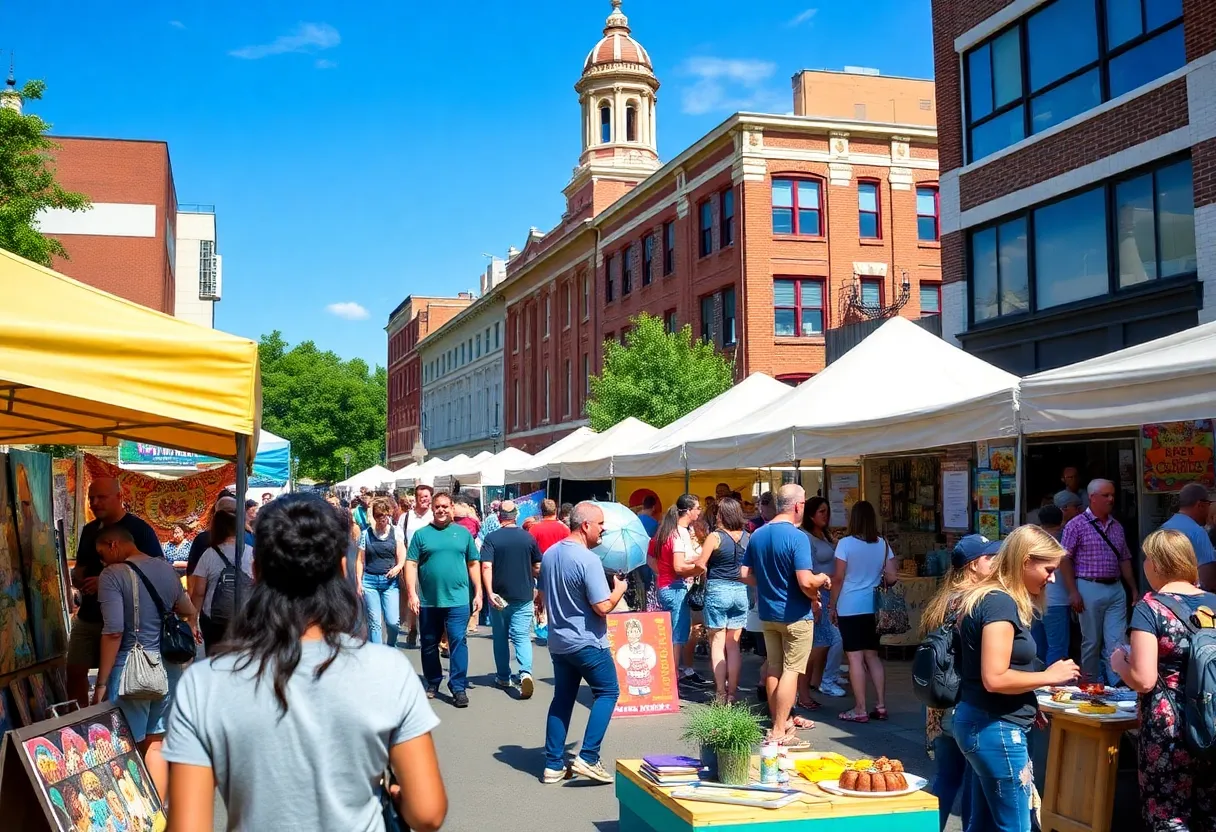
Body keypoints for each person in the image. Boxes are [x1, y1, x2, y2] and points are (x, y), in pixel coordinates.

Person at [162, 495, 447, 832]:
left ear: (256, 571)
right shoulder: (388, 670)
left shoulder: (204, 683)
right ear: (342, 568)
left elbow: (187, 826)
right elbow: (427, 813)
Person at [954, 525, 1080, 832]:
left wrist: (1028, 699)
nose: (1052, 578)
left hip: (989, 722)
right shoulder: (999, 602)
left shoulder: (994, 599)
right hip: (994, 726)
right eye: (1048, 569)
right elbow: (994, 677)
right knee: (1016, 826)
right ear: (1025, 561)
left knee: (984, 823)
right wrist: (1047, 676)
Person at [1110, 528, 1216, 832]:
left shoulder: (1150, 609)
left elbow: (1144, 680)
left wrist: (1119, 664)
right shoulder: (1214, 602)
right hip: (1212, 723)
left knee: (1168, 816)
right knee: (1209, 813)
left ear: (1156, 564)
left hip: (1169, 727)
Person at [93, 525, 198, 798]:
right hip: (168, 670)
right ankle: (158, 816)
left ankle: (134, 819)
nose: (102, 560)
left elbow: (114, 630)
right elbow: (187, 610)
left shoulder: (112, 575)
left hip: (132, 670)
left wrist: (101, 684)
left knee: (124, 745)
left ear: (114, 544)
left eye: (102, 553)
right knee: (156, 743)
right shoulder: (165, 568)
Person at [538, 502, 628, 785]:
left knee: (563, 699)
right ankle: (588, 756)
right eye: (601, 524)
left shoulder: (551, 553)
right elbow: (602, 606)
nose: (604, 529)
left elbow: (541, 594)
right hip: (586, 641)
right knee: (608, 691)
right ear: (585, 525)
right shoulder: (588, 560)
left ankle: (553, 764)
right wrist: (619, 591)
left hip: (559, 641)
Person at [740, 484, 828, 746]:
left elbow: (744, 574)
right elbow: (804, 581)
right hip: (795, 614)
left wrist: (768, 584)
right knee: (792, 669)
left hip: (768, 613)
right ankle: (779, 729)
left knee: (774, 667)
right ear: (799, 506)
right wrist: (821, 579)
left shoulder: (757, 534)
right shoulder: (797, 536)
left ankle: (782, 721)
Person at [922, 534, 996, 832]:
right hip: (964, 700)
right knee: (971, 781)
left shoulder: (943, 601)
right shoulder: (976, 603)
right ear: (972, 565)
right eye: (989, 557)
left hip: (940, 702)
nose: (996, 562)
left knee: (947, 777)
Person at [68, 478, 164, 707]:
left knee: (113, 679)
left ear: (120, 497)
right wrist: (77, 579)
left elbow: (158, 571)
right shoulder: (90, 530)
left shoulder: (140, 530)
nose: (94, 502)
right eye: (91, 498)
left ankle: (110, 726)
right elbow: (81, 566)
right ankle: (80, 722)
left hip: (125, 620)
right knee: (73, 671)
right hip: (89, 614)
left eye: (101, 497)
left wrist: (109, 581)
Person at [406, 491, 481, 708]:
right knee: (429, 644)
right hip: (429, 600)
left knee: (458, 642)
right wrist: (412, 592)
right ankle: (433, 681)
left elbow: (473, 563)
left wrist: (478, 592)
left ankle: (458, 687)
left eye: (445, 507)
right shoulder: (421, 535)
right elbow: (411, 564)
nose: (441, 510)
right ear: (433, 508)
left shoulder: (463, 534)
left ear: (452, 508)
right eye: (437, 507)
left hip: (458, 600)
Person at [1059, 478, 1137, 685]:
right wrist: (1073, 591)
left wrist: (1133, 590)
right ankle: (1090, 683)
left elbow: (1124, 558)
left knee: (1117, 640)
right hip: (1088, 586)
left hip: (1116, 587)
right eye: (1106, 495)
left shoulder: (1117, 526)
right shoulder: (1075, 525)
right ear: (1092, 498)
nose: (1111, 499)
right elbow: (1064, 558)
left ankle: (1117, 684)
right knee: (1091, 641)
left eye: (1112, 495)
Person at [829, 500, 898, 723]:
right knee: (873, 656)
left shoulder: (845, 544)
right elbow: (892, 576)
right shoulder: (883, 544)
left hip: (850, 605)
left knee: (855, 658)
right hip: (874, 607)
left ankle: (859, 708)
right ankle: (881, 705)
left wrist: (832, 604)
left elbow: (838, 578)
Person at [480, 500, 542, 699]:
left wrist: (489, 592)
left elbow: (486, 566)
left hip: (499, 595)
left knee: (500, 637)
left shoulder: (491, 539)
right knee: (521, 636)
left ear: (499, 517)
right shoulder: (528, 538)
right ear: (516, 516)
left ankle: (504, 676)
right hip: (523, 594)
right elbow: (537, 567)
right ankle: (525, 672)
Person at [650, 494, 710, 691]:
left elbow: (653, 558)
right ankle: (672, 678)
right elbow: (678, 565)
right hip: (675, 587)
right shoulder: (678, 533)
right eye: (697, 508)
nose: (699, 512)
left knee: (672, 633)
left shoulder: (667, 531)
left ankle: (671, 675)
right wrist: (698, 568)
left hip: (666, 585)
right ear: (688, 511)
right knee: (677, 636)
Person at [694, 497, 750, 703]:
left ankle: (720, 693)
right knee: (733, 645)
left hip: (718, 589)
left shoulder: (715, 537)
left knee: (717, 643)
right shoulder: (747, 537)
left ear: (722, 515)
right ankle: (733, 693)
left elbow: (701, 564)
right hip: (740, 590)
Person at [798, 497, 847, 703]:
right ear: (810, 514)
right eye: (821, 511)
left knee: (824, 640)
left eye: (827, 511)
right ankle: (821, 681)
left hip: (832, 592)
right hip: (819, 592)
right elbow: (808, 569)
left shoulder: (824, 534)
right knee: (832, 638)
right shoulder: (806, 537)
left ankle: (818, 679)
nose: (826, 515)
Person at [189, 508, 254, 655]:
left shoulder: (209, 554)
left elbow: (199, 592)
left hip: (214, 619)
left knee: (214, 660)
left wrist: (193, 620)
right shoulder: (250, 552)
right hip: (244, 617)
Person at [357, 497, 407, 647]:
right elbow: (360, 560)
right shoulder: (366, 534)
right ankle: (378, 655)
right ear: (374, 516)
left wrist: (398, 567)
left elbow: (402, 553)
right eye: (379, 515)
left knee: (393, 622)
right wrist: (358, 581)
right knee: (375, 622)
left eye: (385, 515)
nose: (382, 518)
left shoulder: (396, 532)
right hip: (370, 581)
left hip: (390, 582)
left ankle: (391, 647)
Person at [1030, 505, 1072, 665]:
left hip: (1033, 600)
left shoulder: (1032, 541)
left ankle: (1035, 684)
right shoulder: (1063, 541)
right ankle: (1052, 686)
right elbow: (1067, 567)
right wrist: (1073, 592)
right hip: (1057, 601)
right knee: (1057, 648)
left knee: (1036, 647)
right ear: (1061, 520)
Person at [1160, 482, 1216, 591]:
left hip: (1166, 596)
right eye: (1209, 504)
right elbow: (1207, 579)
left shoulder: (1163, 528)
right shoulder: (1198, 532)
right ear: (1200, 505)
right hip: (1192, 598)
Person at [398, 485, 434, 648]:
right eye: (422, 496)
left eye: (427, 496)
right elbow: (400, 541)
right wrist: (401, 563)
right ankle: (413, 627)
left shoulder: (435, 516)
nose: (425, 499)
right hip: (412, 563)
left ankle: (429, 631)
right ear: (416, 498)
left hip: (432, 563)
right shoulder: (405, 518)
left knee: (432, 598)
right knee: (413, 596)